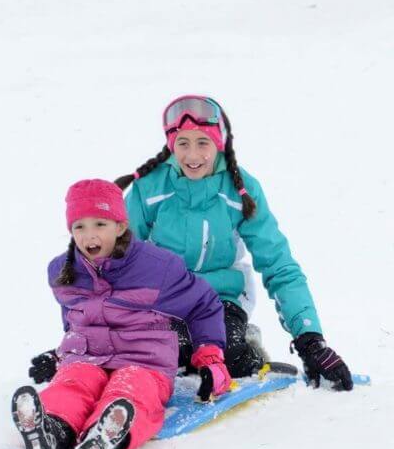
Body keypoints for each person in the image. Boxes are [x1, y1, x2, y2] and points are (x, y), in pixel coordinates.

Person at [113, 95, 353, 390]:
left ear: (219, 143)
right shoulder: (149, 188)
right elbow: (116, 258)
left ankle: (242, 346)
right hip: (165, 300)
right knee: (171, 352)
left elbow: (277, 262)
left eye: (203, 143)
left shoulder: (241, 191)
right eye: (183, 143)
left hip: (221, 300)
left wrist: (310, 340)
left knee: (229, 355)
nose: (192, 155)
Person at [12, 179, 231, 449]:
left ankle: (109, 432)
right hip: (89, 358)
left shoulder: (157, 268)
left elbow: (204, 304)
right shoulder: (61, 271)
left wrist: (210, 356)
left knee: (133, 389)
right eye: (79, 226)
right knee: (73, 382)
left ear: (120, 226)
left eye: (100, 224)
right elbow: (74, 321)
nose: (89, 235)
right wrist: (61, 355)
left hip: (145, 362)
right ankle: (49, 428)